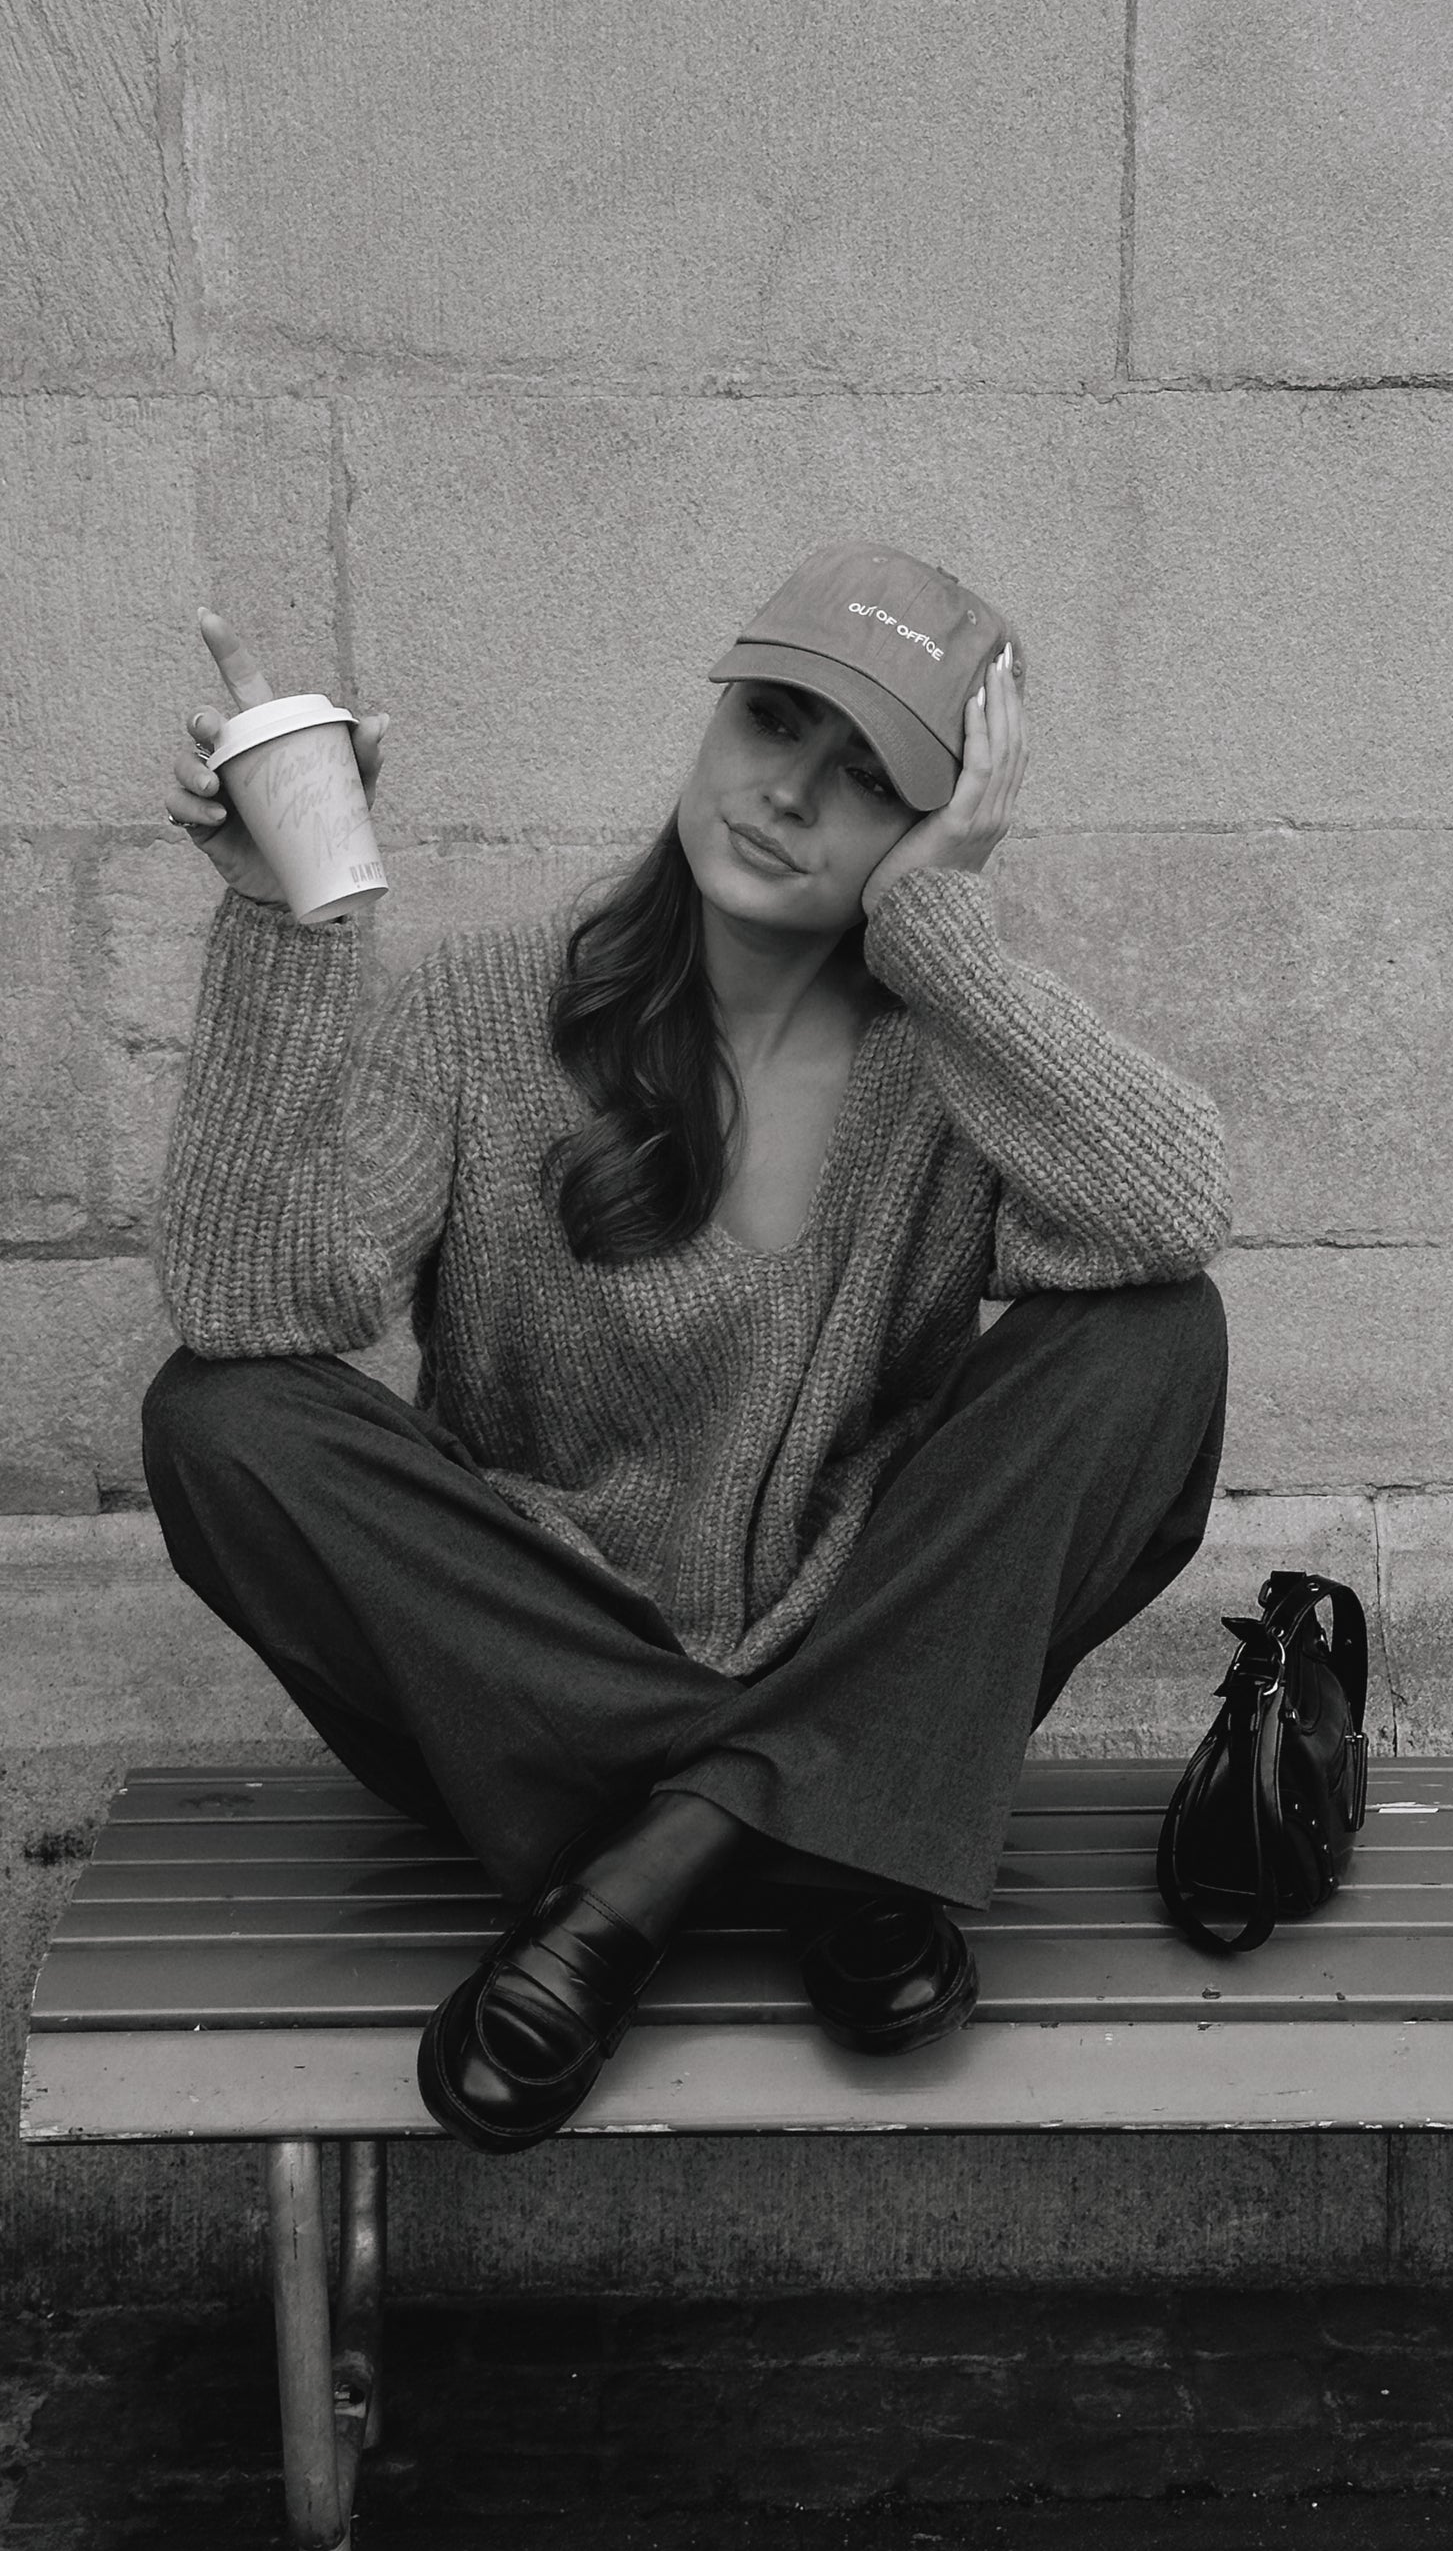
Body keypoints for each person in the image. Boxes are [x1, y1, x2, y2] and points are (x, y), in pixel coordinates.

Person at [142, 539, 1231, 2156]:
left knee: (1159, 1339)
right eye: (775, 722)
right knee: (216, 1420)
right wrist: (282, 926)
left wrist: (945, 931)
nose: (788, 793)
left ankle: (657, 1863)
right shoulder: (488, 1010)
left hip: (836, 1633)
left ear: (934, 827)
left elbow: (1174, 1208)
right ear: (715, 710)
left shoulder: (949, 1066)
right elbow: (258, 1309)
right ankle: (816, 1830)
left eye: (865, 781)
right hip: (524, 1686)